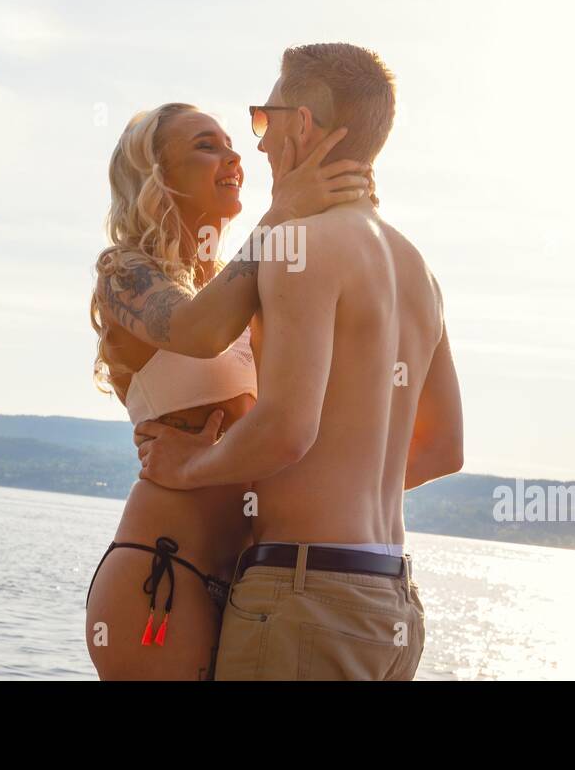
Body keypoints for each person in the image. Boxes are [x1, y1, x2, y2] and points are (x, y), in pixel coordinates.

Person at [134, 43, 465, 680]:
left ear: (302, 125)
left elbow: (288, 429)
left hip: (305, 597)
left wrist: (191, 468)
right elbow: (443, 449)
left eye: (264, 120)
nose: (258, 146)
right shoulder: (416, 268)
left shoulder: (298, 246)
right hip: (389, 603)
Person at [84, 101, 372, 680]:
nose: (234, 154)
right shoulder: (124, 272)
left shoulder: (242, 284)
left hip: (252, 584)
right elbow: (199, 331)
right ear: (157, 175)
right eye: (205, 144)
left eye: (231, 142)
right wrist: (281, 213)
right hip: (162, 572)